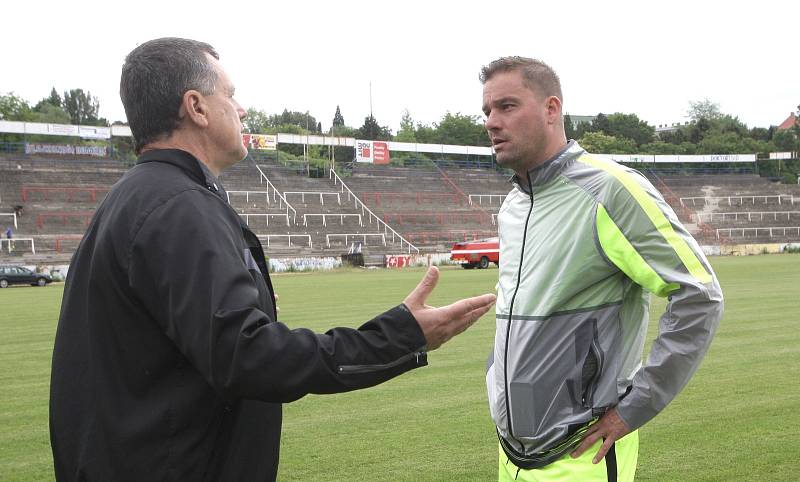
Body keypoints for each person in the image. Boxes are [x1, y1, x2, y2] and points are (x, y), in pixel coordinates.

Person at [49, 37, 496, 482]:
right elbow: (247, 357)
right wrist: (399, 336)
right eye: (231, 94)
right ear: (196, 107)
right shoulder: (179, 206)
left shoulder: (138, 197)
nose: (241, 109)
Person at [480, 56, 723, 481]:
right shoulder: (513, 205)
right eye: (486, 111)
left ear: (551, 109)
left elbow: (699, 295)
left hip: (584, 456)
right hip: (512, 456)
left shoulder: (610, 190)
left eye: (507, 106)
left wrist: (634, 408)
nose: (491, 122)